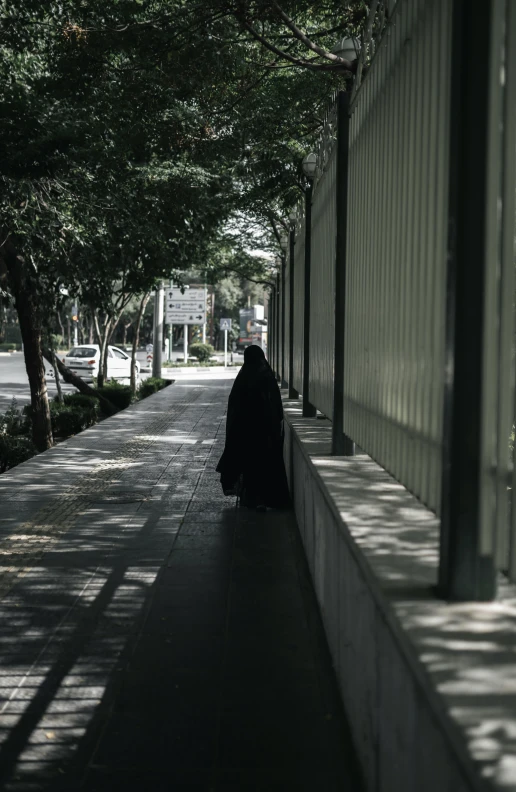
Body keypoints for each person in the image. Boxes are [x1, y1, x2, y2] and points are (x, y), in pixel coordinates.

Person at [216, 345, 290, 510]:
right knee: (267, 464)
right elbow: (276, 407)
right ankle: (268, 499)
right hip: (267, 433)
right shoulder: (267, 376)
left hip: (247, 434)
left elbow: (234, 410)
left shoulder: (242, 378)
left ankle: (252, 498)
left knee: (251, 465)